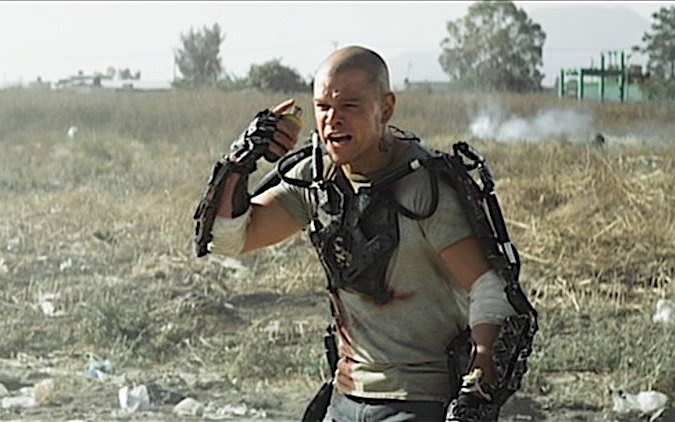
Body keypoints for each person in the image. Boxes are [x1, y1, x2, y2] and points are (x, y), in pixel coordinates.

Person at [195, 45, 521, 422]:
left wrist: (478, 384)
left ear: (386, 108)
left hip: (420, 398)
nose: (333, 120)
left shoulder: (424, 188)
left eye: (349, 105)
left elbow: (489, 289)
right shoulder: (316, 180)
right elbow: (228, 239)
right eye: (323, 107)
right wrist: (241, 160)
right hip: (345, 392)